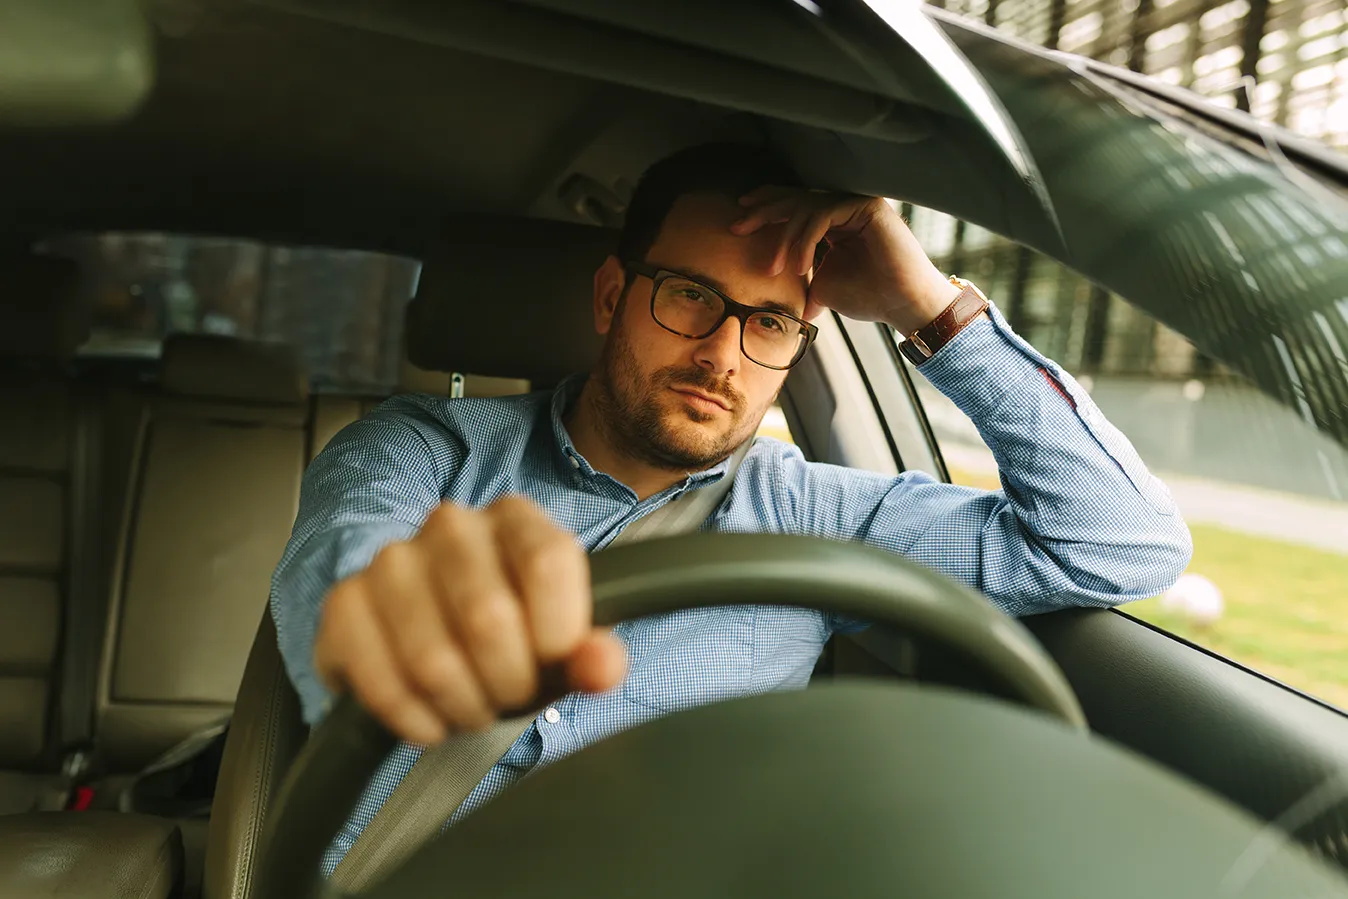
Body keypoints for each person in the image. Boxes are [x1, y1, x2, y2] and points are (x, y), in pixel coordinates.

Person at [270, 143, 1192, 871]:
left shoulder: (819, 518)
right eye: (690, 297)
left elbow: (1119, 542)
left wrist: (931, 309)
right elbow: (346, 572)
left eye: (771, 322)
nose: (724, 355)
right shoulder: (426, 447)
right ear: (609, 296)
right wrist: (397, 620)